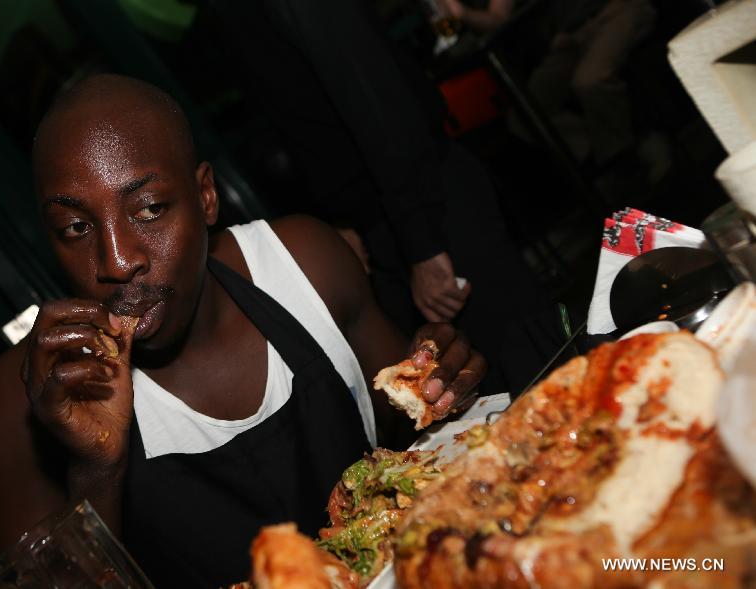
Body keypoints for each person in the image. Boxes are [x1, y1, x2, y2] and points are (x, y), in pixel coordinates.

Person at [0, 74, 486, 588]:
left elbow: (425, 442)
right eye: (75, 229)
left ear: (206, 197)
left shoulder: (303, 264)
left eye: (149, 209)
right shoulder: (18, 398)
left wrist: (442, 378)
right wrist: (97, 471)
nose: (117, 260)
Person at [210, 0, 553, 393]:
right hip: (383, 219)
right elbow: (301, 110)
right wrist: (344, 221)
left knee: (536, 372)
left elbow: (377, 104)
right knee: (468, 397)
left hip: (426, 208)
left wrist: (423, 243)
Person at [524, 0, 657, 166]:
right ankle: (618, 146)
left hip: (615, 8)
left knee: (589, 81)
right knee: (526, 112)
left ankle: (623, 159)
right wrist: (552, 32)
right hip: (573, 32)